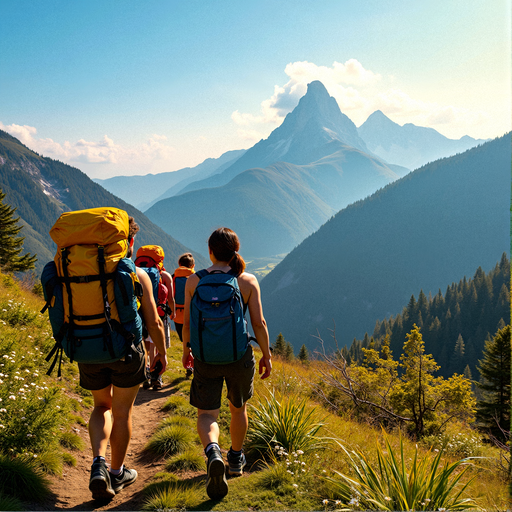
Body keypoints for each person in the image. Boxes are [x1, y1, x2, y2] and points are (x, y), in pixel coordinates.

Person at [182, 227, 272, 500]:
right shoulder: (246, 280)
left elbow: (187, 323)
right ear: (236, 251)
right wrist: (266, 355)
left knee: (207, 415)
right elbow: (258, 323)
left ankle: (212, 451)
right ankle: (234, 459)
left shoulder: (193, 281)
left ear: (209, 251)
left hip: (205, 357)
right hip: (238, 357)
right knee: (238, 408)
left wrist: (187, 350)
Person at [85, 217, 168, 500]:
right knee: (122, 412)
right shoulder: (135, 272)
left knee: (100, 407)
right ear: (128, 242)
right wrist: (163, 354)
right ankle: (117, 473)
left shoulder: (81, 271)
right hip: (126, 352)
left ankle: (98, 463)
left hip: (89, 349)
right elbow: (154, 323)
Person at [172, 252, 195, 377]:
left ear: (179, 264)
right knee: (193, 340)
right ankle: (194, 362)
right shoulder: (195, 278)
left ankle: (188, 365)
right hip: (192, 315)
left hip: (178, 315)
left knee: (184, 340)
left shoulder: (173, 277)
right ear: (193, 265)